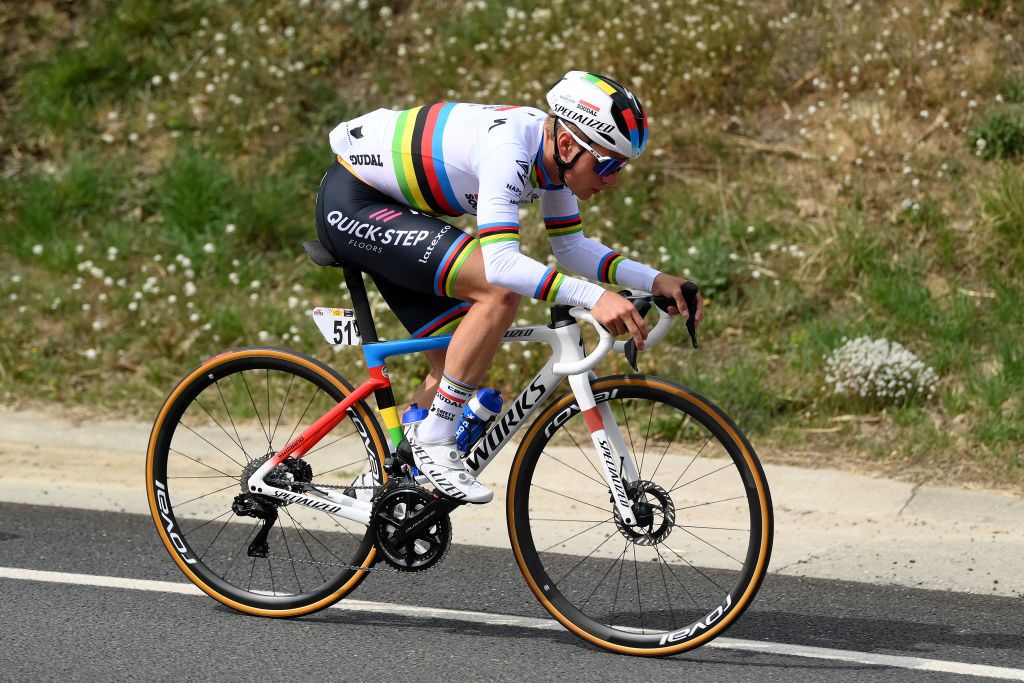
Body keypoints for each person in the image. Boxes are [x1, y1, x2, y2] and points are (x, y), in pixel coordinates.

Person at [316, 70, 704, 504]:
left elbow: (572, 248)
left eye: (621, 167)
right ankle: (435, 439)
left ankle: (388, 486)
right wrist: (595, 297)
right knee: (499, 293)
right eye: (608, 164)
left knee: (459, 360)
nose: (612, 179)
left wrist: (656, 280)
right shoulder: (510, 150)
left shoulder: (554, 159)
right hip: (357, 202)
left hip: (395, 209)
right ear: (567, 144)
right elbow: (502, 266)